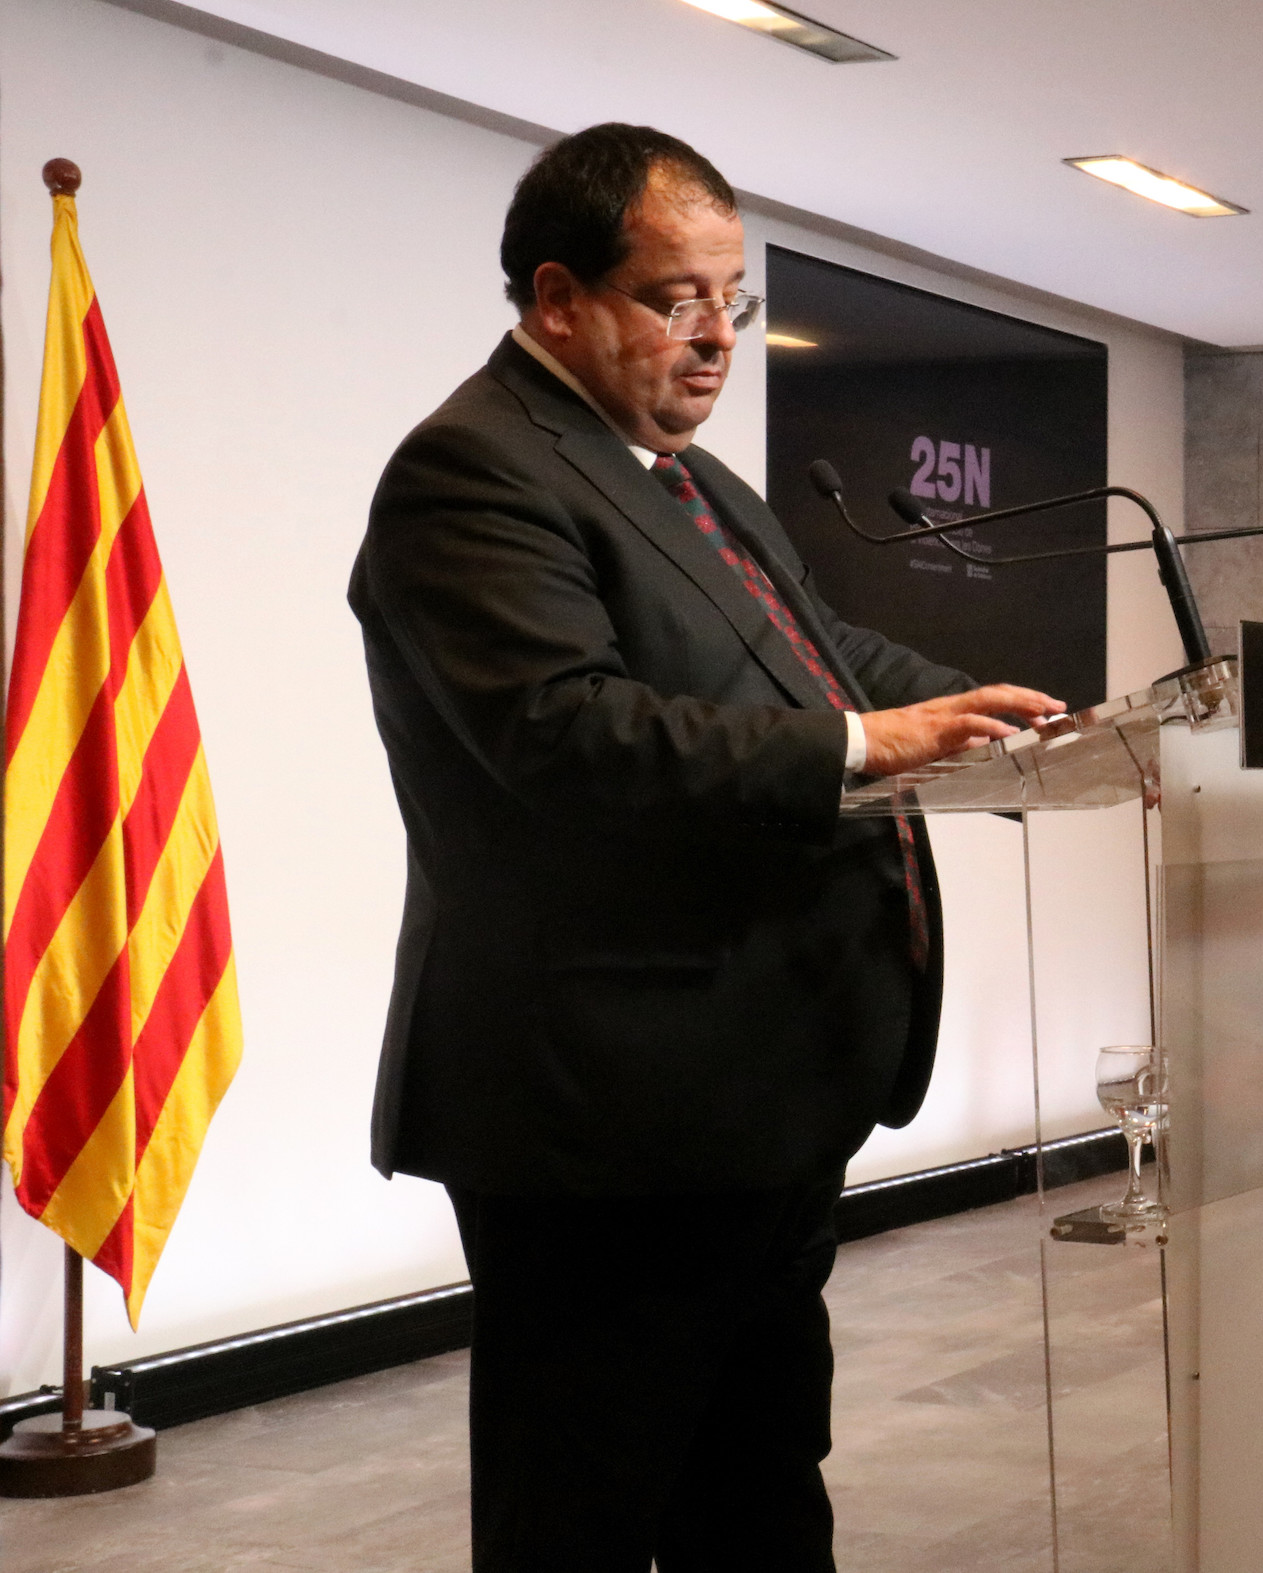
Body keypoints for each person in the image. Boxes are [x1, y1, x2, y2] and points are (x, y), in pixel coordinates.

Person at [348, 124, 1060, 1572]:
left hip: (760, 1082)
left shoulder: (692, 480)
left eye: (730, 298)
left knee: (757, 1476)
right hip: (609, 1102)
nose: (716, 337)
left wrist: (1011, 722)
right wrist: (874, 744)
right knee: (590, 1506)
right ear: (557, 298)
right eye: (676, 296)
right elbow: (568, 734)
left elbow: (822, 651)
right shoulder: (471, 473)